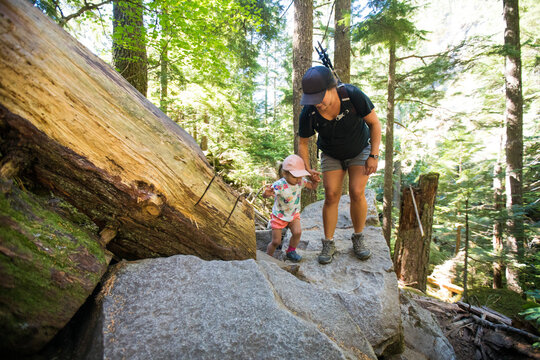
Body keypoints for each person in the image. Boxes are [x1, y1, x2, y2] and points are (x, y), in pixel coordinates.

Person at [297, 66, 382, 265]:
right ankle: (328, 242)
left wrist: (374, 155)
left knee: (356, 191)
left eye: (320, 97)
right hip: (331, 154)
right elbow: (303, 141)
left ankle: (358, 238)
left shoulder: (352, 96)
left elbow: (375, 124)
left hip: (359, 149)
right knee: (331, 194)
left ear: (332, 87)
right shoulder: (309, 112)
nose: (316, 104)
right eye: (312, 99)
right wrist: (307, 169)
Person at [263, 154, 319, 262]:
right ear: (284, 173)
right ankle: (267, 257)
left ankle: (291, 251)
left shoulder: (300, 181)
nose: (298, 179)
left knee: (297, 232)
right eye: (295, 176)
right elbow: (267, 194)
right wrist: (266, 193)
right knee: (276, 241)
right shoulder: (279, 185)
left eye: (300, 176)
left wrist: (315, 182)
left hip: (293, 214)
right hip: (279, 216)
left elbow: (312, 187)